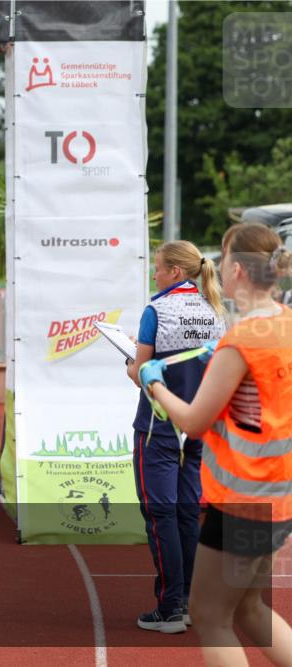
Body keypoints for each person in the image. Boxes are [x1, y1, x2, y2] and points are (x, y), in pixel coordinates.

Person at [139, 222, 292, 665]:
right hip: (278, 493)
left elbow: (193, 422)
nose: (219, 267)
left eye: (223, 258)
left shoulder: (240, 341)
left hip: (244, 497)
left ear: (238, 269)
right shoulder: (284, 323)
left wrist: (154, 382)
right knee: (249, 608)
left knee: (210, 614)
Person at [125, 240, 227, 633]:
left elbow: (142, 374)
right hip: (197, 425)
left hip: (159, 427)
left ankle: (170, 608)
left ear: (175, 272)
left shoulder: (156, 310)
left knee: (160, 515)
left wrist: (130, 362)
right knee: (187, 512)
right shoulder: (214, 308)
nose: (154, 274)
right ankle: (188, 602)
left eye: (158, 268)